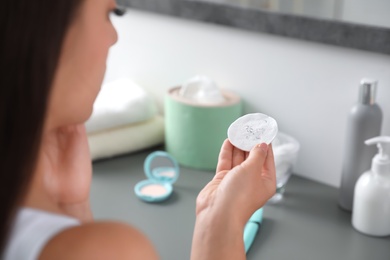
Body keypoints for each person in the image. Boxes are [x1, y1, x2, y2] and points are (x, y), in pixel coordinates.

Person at [0, 0, 276, 259]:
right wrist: (223, 220)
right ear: (46, 30)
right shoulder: (114, 250)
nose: (114, 37)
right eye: (111, 13)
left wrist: (72, 211)